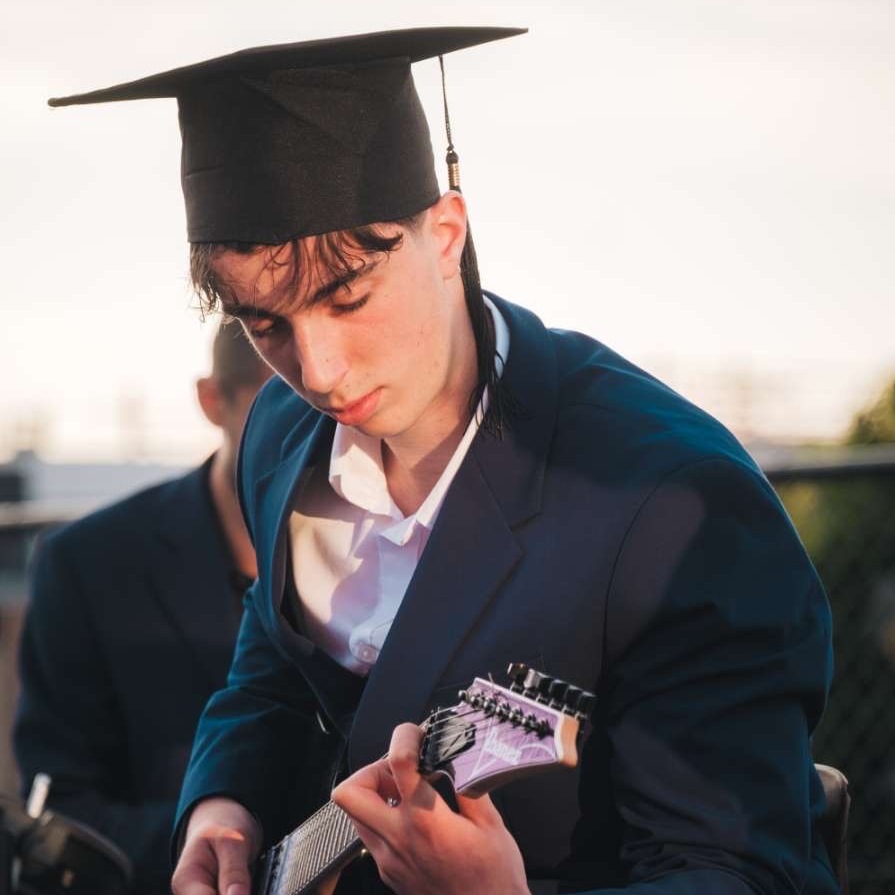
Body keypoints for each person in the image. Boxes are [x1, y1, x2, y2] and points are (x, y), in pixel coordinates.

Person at [47, 27, 837, 895]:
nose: (317, 372)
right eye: (264, 324)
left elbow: (739, 874)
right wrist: (222, 805)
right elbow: (272, 665)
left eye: (348, 297)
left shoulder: (677, 505)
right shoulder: (275, 429)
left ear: (447, 232)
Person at [13, 321, 269, 894]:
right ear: (212, 401)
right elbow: (60, 813)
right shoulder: (87, 564)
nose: (315, 434)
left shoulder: (378, 550)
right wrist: (231, 842)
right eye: (281, 404)